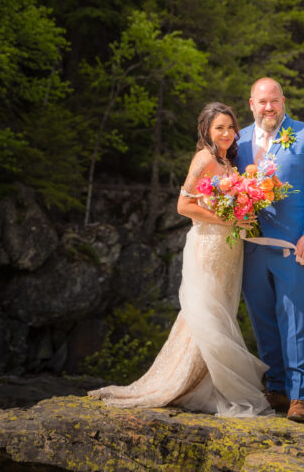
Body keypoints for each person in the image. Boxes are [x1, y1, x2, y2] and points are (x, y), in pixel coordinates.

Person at [88, 102, 270, 417]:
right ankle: (182, 382)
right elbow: (183, 205)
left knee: (218, 313)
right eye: (219, 128)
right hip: (209, 245)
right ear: (206, 131)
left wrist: (244, 208)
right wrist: (227, 220)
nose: (226, 133)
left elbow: (229, 203)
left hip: (229, 249)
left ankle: (198, 381)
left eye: (230, 127)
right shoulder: (204, 158)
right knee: (204, 314)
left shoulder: (227, 161)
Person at [235, 77, 304, 423]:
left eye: (274, 101)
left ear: (283, 101)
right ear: (251, 104)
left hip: (294, 247)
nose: (268, 108)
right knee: (263, 320)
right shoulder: (239, 140)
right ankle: (275, 388)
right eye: (261, 102)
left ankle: (298, 397)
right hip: (250, 247)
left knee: (294, 320)